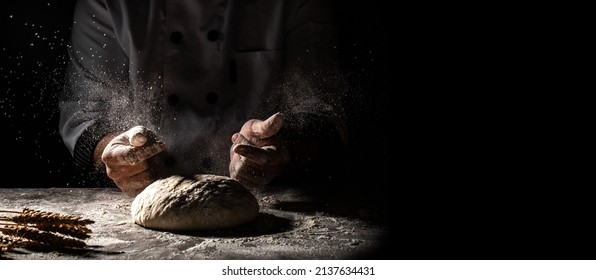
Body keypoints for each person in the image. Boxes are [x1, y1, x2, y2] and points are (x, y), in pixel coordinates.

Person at [59, 0, 348, 196]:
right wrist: (118, 152)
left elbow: (322, 112)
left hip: (273, 200)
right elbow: (86, 115)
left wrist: (279, 146)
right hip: (145, 198)